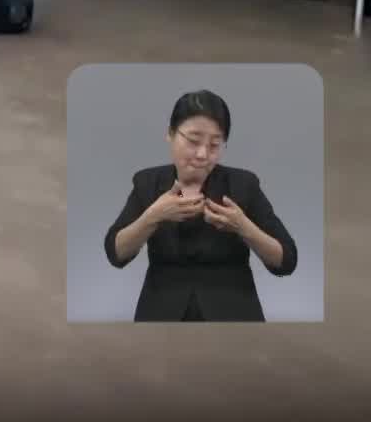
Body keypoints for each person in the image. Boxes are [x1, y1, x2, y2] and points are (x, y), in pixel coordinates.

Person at [104, 89, 297, 321]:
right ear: (170, 133)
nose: (203, 154)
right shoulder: (148, 183)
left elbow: (286, 260)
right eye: (193, 141)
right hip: (161, 316)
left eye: (215, 145)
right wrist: (152, 217)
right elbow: (116, 253)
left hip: (233, 316)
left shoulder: (243, 184)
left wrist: (243, 227)